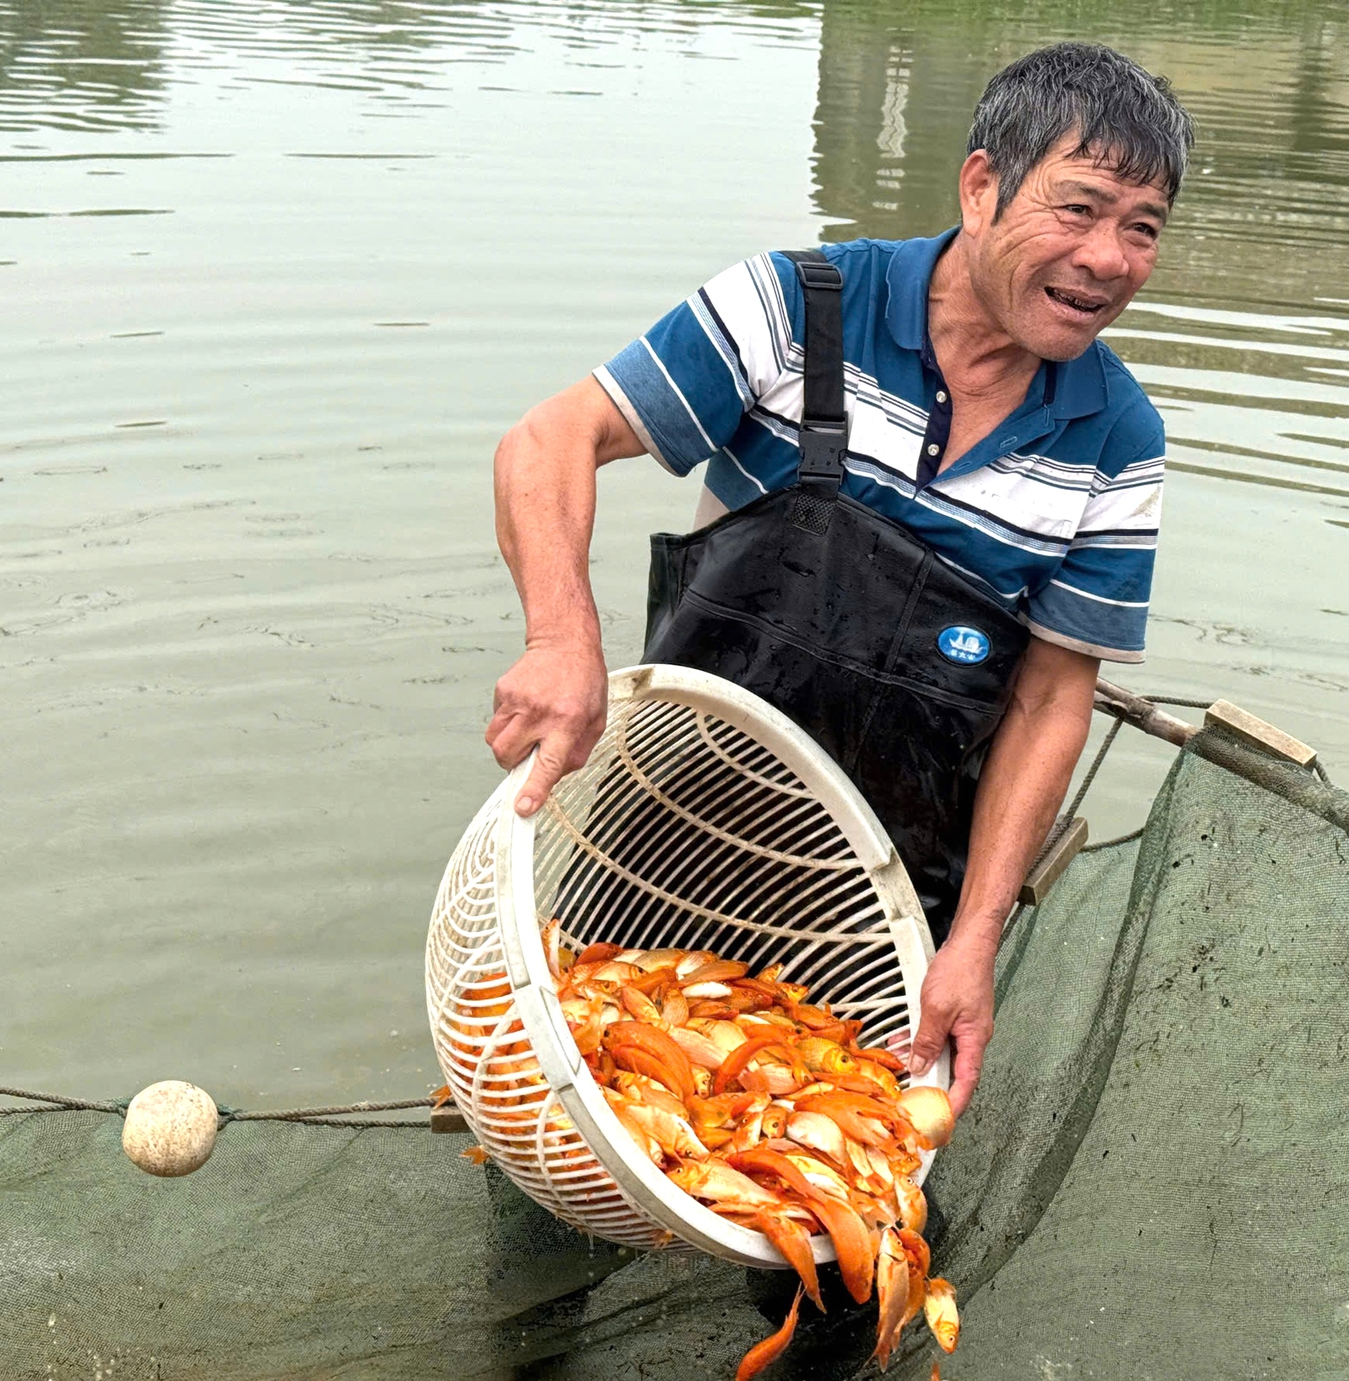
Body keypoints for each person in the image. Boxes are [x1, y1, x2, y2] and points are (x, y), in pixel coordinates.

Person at [486, 43, 1193, 1118]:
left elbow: (1053, 699)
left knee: (848, 1238)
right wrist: (560, 642)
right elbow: (549, 440)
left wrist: (971, 943)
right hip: (654, 844)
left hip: (877, 909)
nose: (1107, 257)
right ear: (979, 184)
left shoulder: (1116, 440)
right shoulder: (796, 308)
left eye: (1140, 227)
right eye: (1079, 208)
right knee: (574, 1146)